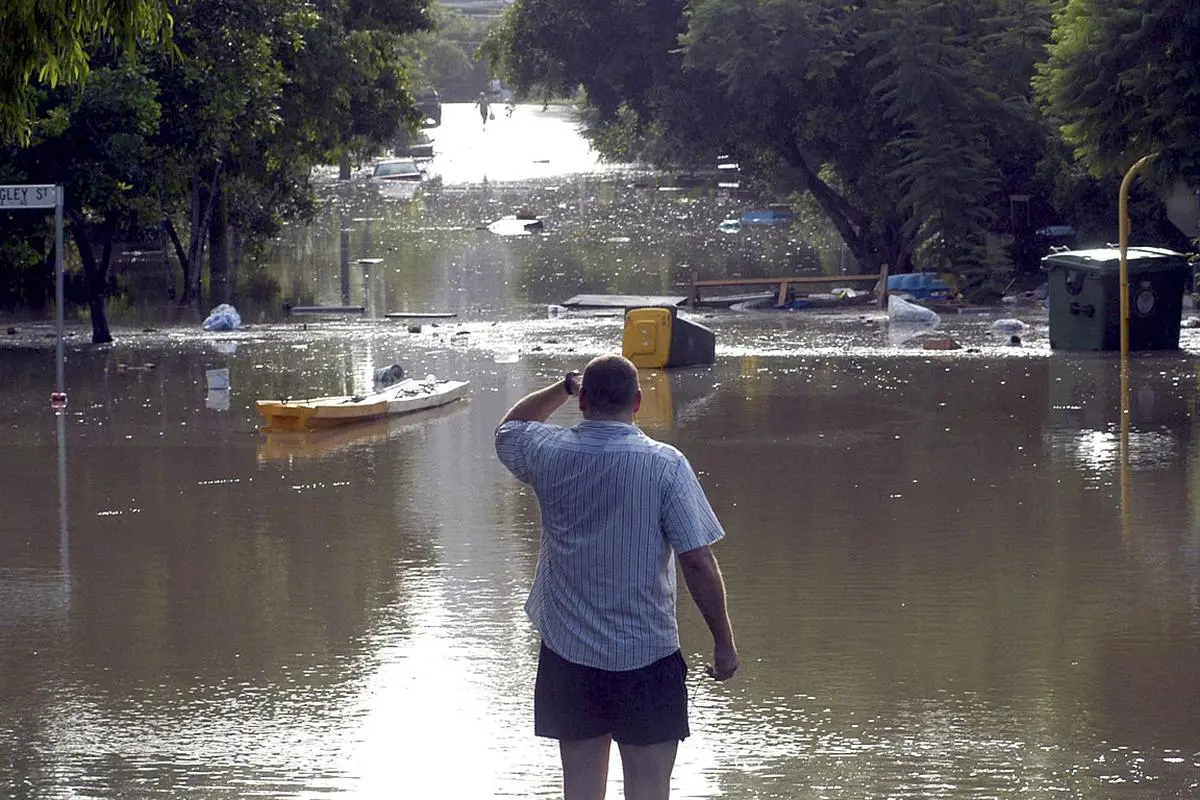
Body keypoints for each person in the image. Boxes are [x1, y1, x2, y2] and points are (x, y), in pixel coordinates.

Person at [494, 353, 738, 800]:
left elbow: (509, 430)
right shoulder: (665, 465)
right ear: (639, 402)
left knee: (581, 791)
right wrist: (723, 643)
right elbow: (697, 563)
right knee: (648, 790)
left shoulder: (548, 452)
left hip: (569, 656)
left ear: (583, 400)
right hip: (647, 655)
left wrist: (562, 386)